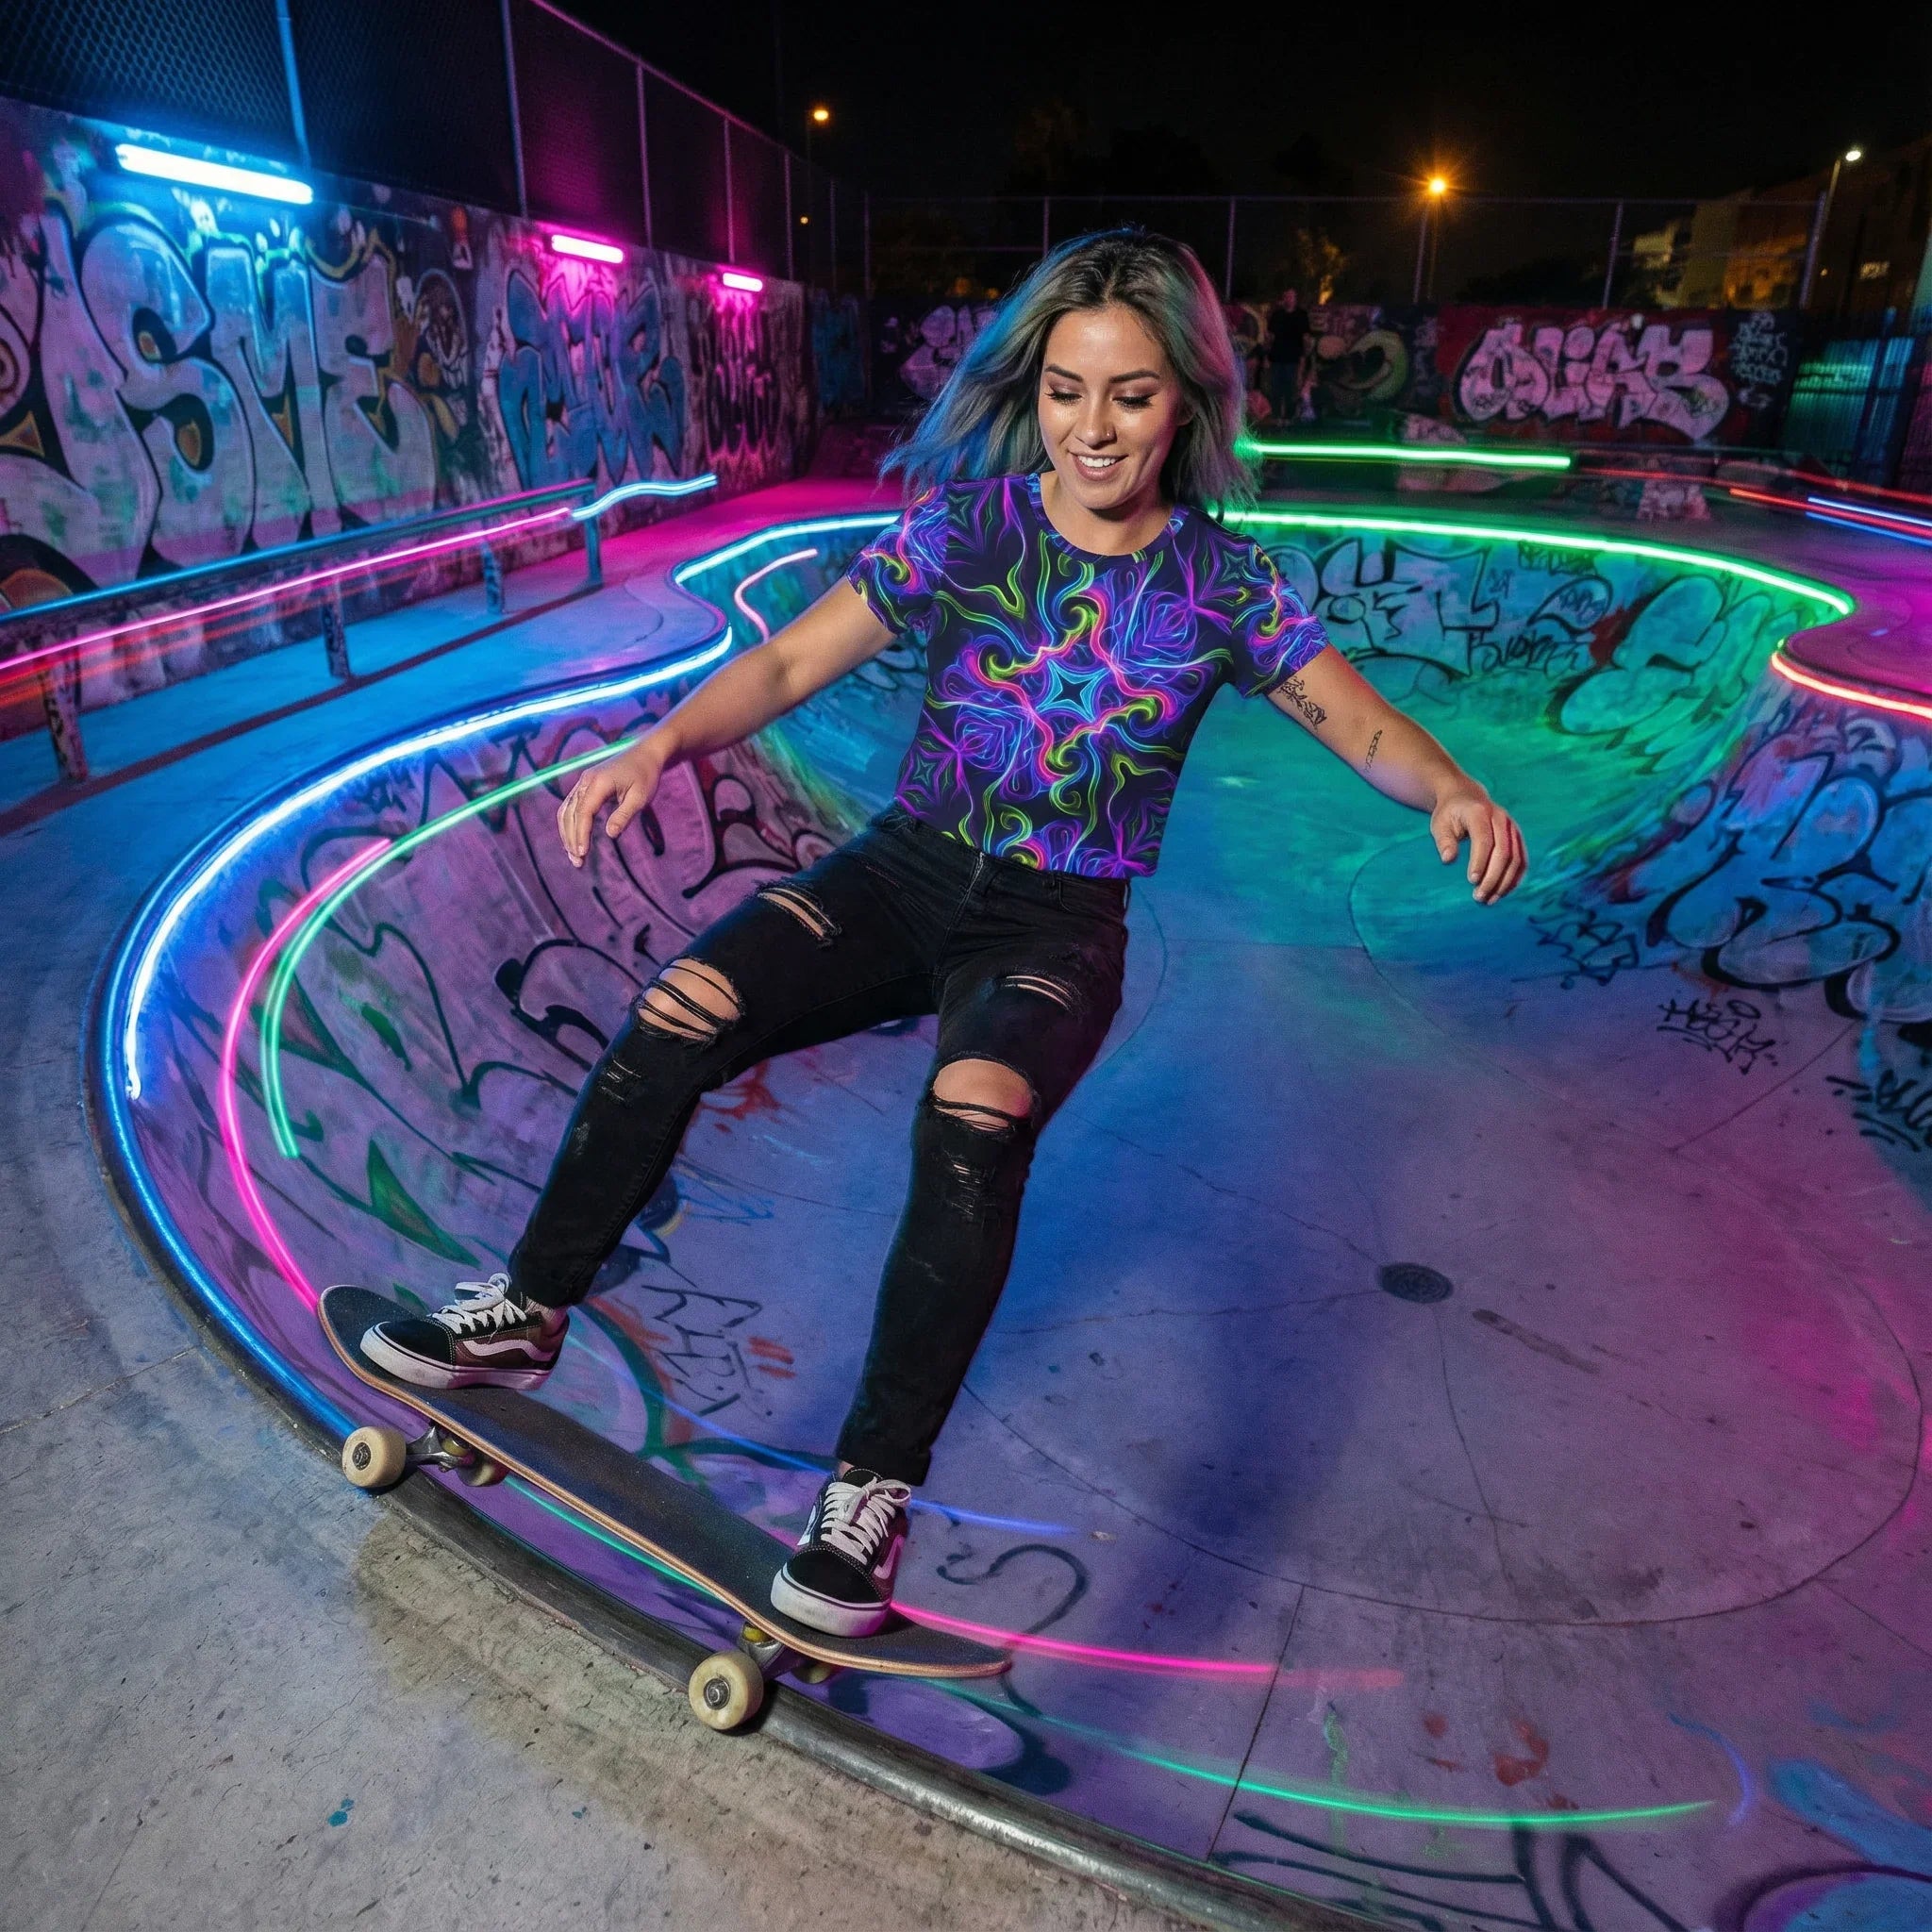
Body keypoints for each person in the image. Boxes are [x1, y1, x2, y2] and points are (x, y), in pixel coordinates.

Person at [360, 228, 1526, 1639]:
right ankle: (527, 1309)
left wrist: (1450, 788)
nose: (1094, 429)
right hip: (902, 871)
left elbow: (1362, 723)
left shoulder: (1223, 584)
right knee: (681, 1006)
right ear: (1033, 390)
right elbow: (791, 657)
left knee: (971, 1120)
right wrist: (661, 742)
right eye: (1066, 391)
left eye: (1132, 396)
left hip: (1055, 919)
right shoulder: (971, 528)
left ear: (1187, 403)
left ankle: (867, 1500)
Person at [1265, 286, 1312, 425]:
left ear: (1295, 298)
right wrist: (1267, 354)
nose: (1289, 299)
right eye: (1286, 296)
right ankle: (1276, 416)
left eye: (1291, 296)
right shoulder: (1277, 315)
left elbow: (1305, 337)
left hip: (1293, 358)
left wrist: (1304, 357)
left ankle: (1288, 417)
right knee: (1276, 389)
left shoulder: (1301, 315)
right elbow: (1270, 336)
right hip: (1277, 357)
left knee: (1290, 389)